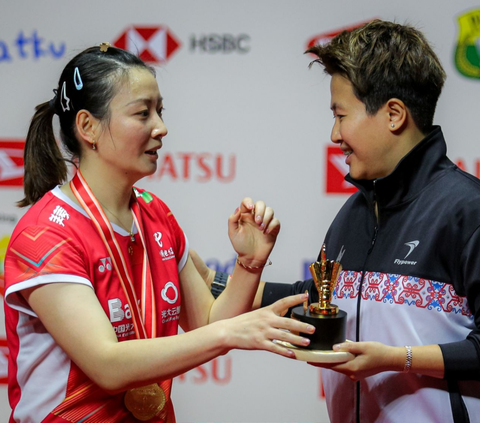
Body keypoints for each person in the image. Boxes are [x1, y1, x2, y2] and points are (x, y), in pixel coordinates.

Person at [3, 44, 315, 423]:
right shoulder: (46, 233)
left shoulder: (155, 214)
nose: (161, 128)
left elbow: (206, 322)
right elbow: (107, 365)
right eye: (142, 113)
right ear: (87, 127)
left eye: (160, 111)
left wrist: (249, 264)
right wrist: (230, 333)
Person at [192, 19, 480, 423]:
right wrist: (222, 280)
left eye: (341, 115)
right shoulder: (355, 212)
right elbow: (318, 300)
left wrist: (398, 359)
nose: (334, 134)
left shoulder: (467, 209)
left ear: (394, 114)